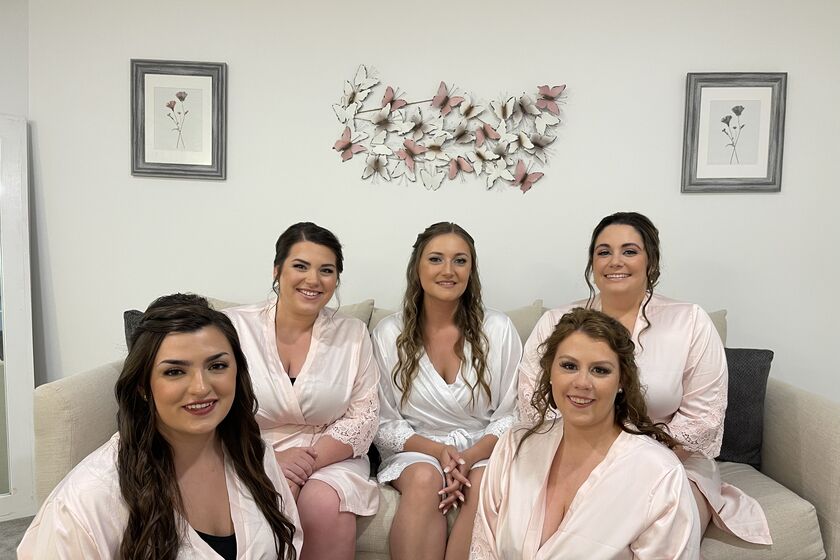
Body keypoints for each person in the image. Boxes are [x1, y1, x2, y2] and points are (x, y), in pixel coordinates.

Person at [517, 211, 771, 544]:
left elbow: (703, 419)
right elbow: (534, 404)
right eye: (604, 251)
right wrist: (592, 460)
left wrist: (630, 461)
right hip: (574, 460)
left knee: (659, 525)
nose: (615, 261)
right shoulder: (555, 322)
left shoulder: (690, 322)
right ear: (592, 263)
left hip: (671, 462)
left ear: (651, 261)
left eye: (629, 251)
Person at [18, 293, 302, 559]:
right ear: (143, 386)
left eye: (217, 366)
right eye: (175, 371)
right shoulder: (87, 500)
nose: (201, 387)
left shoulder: (255, 455)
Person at [471, 308, 701, 559]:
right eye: (569, 366)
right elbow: (483, 550)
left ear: (622, 381)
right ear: (550, 372)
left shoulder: (660, 476)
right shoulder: (513, 446)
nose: (582, 383)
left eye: (600, 370)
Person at [223, 222, 379, 560]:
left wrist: (302, 466)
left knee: (324, 501)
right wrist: (271, 461)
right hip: (249, 450)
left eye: (326, 270)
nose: (313, 279)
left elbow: (363, 418)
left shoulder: (353, 333)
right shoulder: (233, 327)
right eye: (300, 266)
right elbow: (217, 409)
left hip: (330, 453)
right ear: (277, 270)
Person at [373, 222, 522, 560]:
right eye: (436, 259)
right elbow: (382, 421)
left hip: (485, 450)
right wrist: (439, 452)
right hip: (417, 450)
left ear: (471, 270)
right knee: (424, 478)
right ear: (417, 267)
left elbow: (514, 412)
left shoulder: (498, 329)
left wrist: (468, 457)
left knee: (482, 481)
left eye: (460, 260)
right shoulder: (388, 333)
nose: (448, 270)